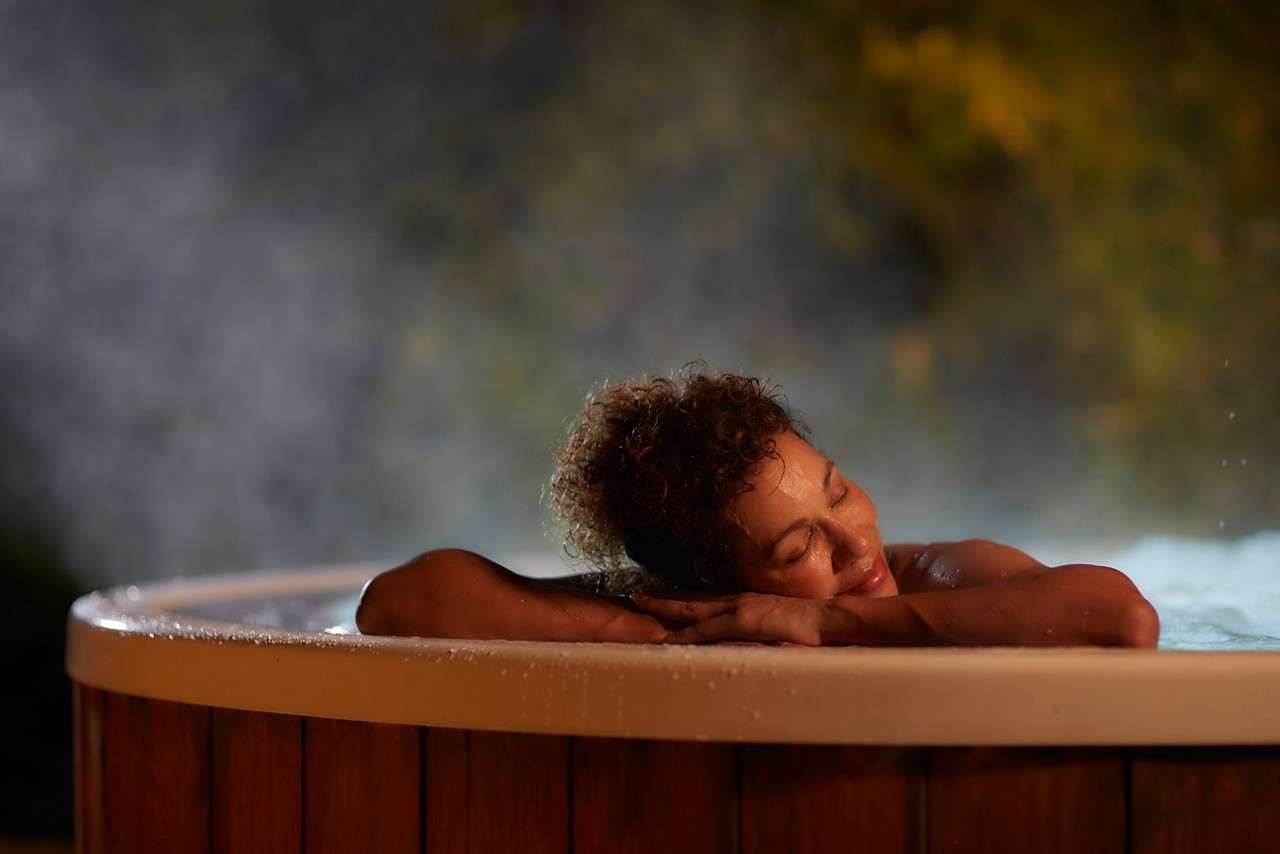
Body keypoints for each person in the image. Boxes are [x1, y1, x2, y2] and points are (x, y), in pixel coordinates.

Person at [356, 368, 1160, 647]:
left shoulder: (942, 577)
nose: (856, 546)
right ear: (715, 585)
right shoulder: (703, 610)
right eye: (796, 550)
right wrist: (669, 631)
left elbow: (1123, 617)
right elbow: (401, 601)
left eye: (838, 489)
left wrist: (827, 623)